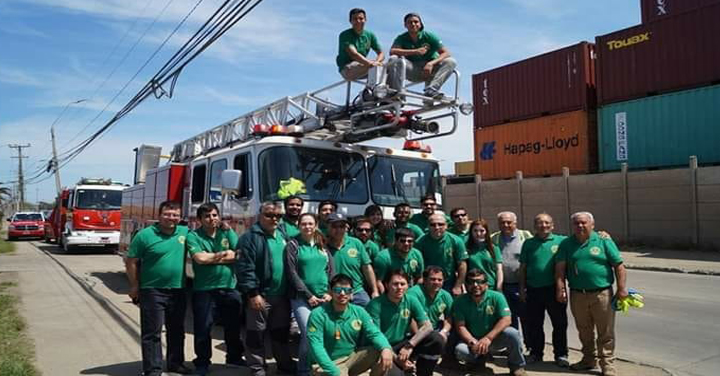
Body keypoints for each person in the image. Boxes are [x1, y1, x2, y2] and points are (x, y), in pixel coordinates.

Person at [555, 212, 627, 376]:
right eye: (576, 223)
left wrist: (622, 289)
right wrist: (560, 288)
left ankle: (607, 364)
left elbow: (619, 266)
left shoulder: (603, 240)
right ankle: (588, 360)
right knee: (584, 330)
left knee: (605, 331)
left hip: (602, 294)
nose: (580, 226)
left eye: (583, 223)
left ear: (592, 225)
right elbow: (560, 269)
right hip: (577, 294)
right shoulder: (567, 243)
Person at [125, 201, 191, 376]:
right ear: (159, 215)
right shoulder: (144, 235)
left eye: (175, 214)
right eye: (167, 214)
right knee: (152, 332)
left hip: (178, 289)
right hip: (152, 290)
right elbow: (131, 261)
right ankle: (153, 370)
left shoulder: (185, 232)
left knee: (177, 330)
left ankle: (175, 363)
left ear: (180, 216)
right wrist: (134, 285)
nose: (171, 218)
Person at [236, 202, 295, 376]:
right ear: (260, 215)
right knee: (256, 334)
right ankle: (257, 368)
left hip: (282, 296)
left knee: (280, 333)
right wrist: (252, 293)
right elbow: (244, 268)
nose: (274, 219)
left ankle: (284, 365)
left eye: (278, 215)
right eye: (269, 215)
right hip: (261, 295)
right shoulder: (249, 238)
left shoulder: (283, 234)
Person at [187, 203, 244, 375]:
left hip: (229, 287)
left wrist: (212, 257)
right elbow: (200, 259)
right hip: (204, 289)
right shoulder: (193, 236)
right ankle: (202, 363)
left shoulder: (227, 232)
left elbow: (239, 254)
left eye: (214, 215)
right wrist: (225, 256)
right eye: (206, 216)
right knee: (203, 328)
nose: (211, 219)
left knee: (233, 326)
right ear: (199, 220)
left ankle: (234, 357)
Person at [307, 274, 393, 376]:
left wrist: (386, 348)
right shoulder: (318, 314)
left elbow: (374, 333)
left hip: (350, 358)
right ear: (330, 291)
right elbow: (316, 347)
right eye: (338, 290)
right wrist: (333, 371)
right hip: (327, 363)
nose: (342, 294)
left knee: (381, 352)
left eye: (347, 290)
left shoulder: (359, 311)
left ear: (351, 292)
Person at [366, 271, 445, 376]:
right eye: (395, 284)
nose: (399, 287)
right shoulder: (375, 304)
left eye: (403, 284)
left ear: (408, 285)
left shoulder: (410, 300)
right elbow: (376, 338)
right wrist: (397, 360)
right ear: (386, 285)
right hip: (381, 348)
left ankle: (424, 373)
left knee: (436, 339)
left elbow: (427, 326)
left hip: (401, 345)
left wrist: (410, 345)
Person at [286, 213, 335, 376]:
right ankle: (303, 369)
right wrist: (308, 295)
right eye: (304, 224)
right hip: (301, 298)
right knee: (309, 333)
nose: (307, 227)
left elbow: (330, 270)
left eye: (310, 224)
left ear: (316, 225)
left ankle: (318, 366)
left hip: (324, 297)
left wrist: (330, 292)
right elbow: (292, 273)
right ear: (298, 225)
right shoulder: (293, 245)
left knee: (324, 333)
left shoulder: (322, 244)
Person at [453, 269, 527, 376]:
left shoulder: (497, 297)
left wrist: (488, 338)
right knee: (461, 351)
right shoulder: (460, 301)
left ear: (486, 284)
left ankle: (517, 366)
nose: (475, 285)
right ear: (466, 284)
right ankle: (478, 363)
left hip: (494, 338)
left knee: (513, 334)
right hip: (474, 339)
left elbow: (506, 319)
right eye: (471, 282)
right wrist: (472, 342)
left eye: (480, 282)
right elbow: (460, 326)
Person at [518, 213, 569, 366]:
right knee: (535, 324)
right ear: (535, 226)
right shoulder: (528, 243)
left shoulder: (562, 241)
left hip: (555, 289)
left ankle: (561, 354)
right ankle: (536, 353)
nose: (543, 225)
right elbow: (523, 267)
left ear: (552, 225)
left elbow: (581, 238)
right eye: (540, 223)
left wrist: (602, 234)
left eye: (547, 223)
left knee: (559, 323)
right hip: (533, 290)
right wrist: (522, 288)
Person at [387, 13, 458, 101]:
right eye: (410, 22)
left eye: (416, 22)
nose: (413, 24)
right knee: (393, 59)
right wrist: (415, 51)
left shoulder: (429, 36)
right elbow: (392, 51)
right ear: (405, 25)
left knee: (451, 61)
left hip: (431, 69)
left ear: (420, 24)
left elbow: (446, 53)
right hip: (414, 69)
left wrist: (430, 63)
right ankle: (399, 94)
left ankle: (432, 89)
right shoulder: (402, 38)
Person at [491, 211, 533, 333]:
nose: (505, 225)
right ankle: (514, 345)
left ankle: (529, 345)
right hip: (502, 286)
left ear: (515, 223)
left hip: (521, 285)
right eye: (502, 222)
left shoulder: (525, 236)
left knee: (526, 317)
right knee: (508, 317)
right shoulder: (494, 238)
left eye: (509, 222)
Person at [325, 213, 379, 306]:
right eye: (334, 226)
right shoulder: (322, 245)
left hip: (356, 292)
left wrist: (375, 290)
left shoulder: (356, 243)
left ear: (346, 228)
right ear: (327, 227)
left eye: (341, 226)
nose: (338, 230)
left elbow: (367, 268)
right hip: (333, 292)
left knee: (369, 312)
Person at [415, 213, 468, 296]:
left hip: (449, 283)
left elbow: (462, 265)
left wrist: (458, 286)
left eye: (440, 224)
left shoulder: (456, 241)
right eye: (433, 225)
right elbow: (416, 263)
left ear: (446, 226)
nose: (437, 227)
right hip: (427, 283)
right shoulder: (420, 241)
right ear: (428, 226)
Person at [336, 8, 384, 81]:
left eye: (361, 18)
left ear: (365, 20)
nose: (358, 21)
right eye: (355, 19)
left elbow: (381, 53)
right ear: (350, 21)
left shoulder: (370, 35)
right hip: (347, 68)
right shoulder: (345, 35)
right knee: (376, 68)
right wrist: (371, 64)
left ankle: (375, 90)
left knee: (386, 68)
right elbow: (354, 54)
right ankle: (370, 90)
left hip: (363, 65)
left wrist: (377, 62)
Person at [405, 266, 454, 338]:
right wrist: (418, 338)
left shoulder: (446, 296)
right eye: (432, 279)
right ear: (424, 280)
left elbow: (449, 318)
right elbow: (410, 319)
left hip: (435, 330)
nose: (436, 282)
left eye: (439, 280)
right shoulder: (413, 293)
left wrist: (444, 332)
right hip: (414, 332)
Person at [465, 219, 503, 291]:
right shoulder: (467, 248)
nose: (478, 234)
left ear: (486, 232)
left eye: (482, 231)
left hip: (490, 285)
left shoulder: (493, 248)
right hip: (472, 286)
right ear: (471, 232)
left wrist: (499, 287)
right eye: (475, 231)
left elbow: (499, 270)